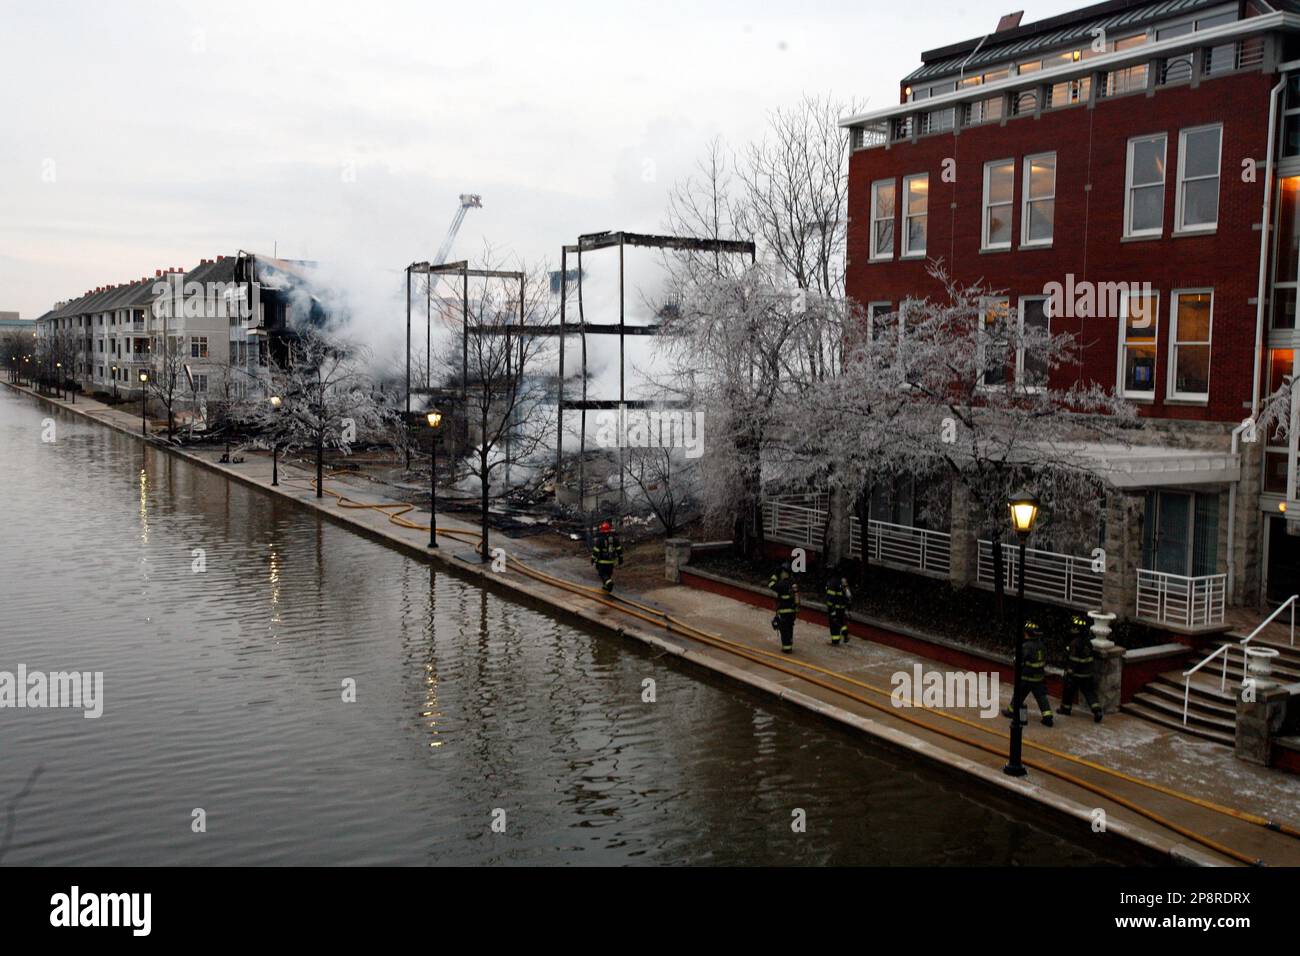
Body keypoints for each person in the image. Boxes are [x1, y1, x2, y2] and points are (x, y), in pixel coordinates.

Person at [1003, 620, 1054, 727]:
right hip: (1039, 677)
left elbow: (1019, 661)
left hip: (1027, 677)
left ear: (1028, 633)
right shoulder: (1041, 645)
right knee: (1041, 697)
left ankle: (1011, 711)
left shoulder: (1026, 646)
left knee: (1019, 695)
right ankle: (1048, 717)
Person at [1060, 614, 1103, 723]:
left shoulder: (1075, 643)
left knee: (1068, 691)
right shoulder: (1088, 642)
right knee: (1089, 693)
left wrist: (1069, 671)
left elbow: (1074, 659)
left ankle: (1065, 709)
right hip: (1087, 673)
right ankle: (1097, 710)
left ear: (1076, 629)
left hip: (1076, 674)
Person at [768, 562, 799, 654]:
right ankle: (789, 642)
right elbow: (797, 596)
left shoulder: (782, 584)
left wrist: (775, 574)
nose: (781, 573)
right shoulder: (793, 583)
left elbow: (771, 584)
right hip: (792, 611)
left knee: (784, 629)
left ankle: (786, 648)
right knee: (790, 627)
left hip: (784, 610)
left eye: (782, 572)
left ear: (785, 573)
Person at [823, 562, 852, 646]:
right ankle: (845, 635)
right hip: (842, 607)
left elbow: (830, 597)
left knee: (834, 624)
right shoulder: (843, 581)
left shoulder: (832, 582)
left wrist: (830, 608)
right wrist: (848, 607)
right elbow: (848, 595)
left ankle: (835, 641)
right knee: (841, 621)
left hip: (835, 607)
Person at [590, 520, 623, 593]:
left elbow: (596, 551)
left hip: (602, 562)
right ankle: (606, 588)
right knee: (608, 574)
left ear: (602, 531)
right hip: (611, 562)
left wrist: (593, 559)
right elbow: (619, 549)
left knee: (602, 574)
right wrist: (620, 558)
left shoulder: (600, 540)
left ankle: (609, 584)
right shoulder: (615, 539)